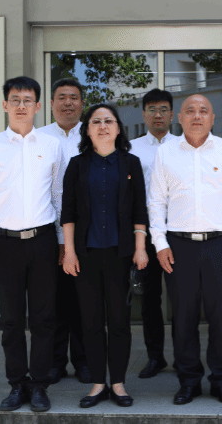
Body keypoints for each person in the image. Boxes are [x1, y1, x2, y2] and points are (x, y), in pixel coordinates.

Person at [0, 76, 66, 412]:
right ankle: (16, 384)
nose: (21, 105)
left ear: (38, 106)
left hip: (43, 242)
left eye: (27, 100)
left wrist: (62, 242)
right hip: (4, 243)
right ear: (4, 105)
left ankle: (39, 385)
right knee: (11, 320)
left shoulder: (51, 146)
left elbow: (58, 196)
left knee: (43, 318)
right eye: (15, 100)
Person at [149, 94, 222, 405]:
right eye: (190, 111)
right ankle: (189, 380)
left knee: (221, 316)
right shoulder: (166, 153)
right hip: (178, 246)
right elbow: (156, 202)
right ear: (179, 118)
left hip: (221, 245)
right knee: (183, 317)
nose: (197, 116)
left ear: (212, 118)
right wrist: (160, 243)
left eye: (203, 111)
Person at [61, 104, 149, 408]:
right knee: (91, 321)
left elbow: (139, 209)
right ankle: (98, 383)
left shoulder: (130, 163)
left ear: (118, 128)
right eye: (95, 121)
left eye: (108, 121)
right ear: (87, 129)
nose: (102, 126)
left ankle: (118, 383)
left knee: (120, 321)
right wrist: (69, 252)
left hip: (120, 254)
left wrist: (140, 247)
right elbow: (68, 212)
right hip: (85, 255)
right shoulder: (77, 165)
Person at [37, 78, 89, 385]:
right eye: (61, 97)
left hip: (86, 233)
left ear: (82, 103)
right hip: (48, 232)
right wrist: (58, 239)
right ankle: (55, 362)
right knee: (53, 301)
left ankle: (83, 361)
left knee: (83, 300)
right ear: (51, 103)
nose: (67, 103)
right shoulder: (39, 138)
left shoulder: (93, 134)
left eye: (73, 97)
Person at [128, 88, 176, 380]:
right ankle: (155, 356)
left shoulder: (184, 145)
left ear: (172, 114)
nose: (158, 115)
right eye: (152, 110)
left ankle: (184, 356)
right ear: (144, 114)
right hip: (144, 233)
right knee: (149, 299)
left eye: (163, 109)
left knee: (183, 299)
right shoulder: (131, 149)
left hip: (178, 230)